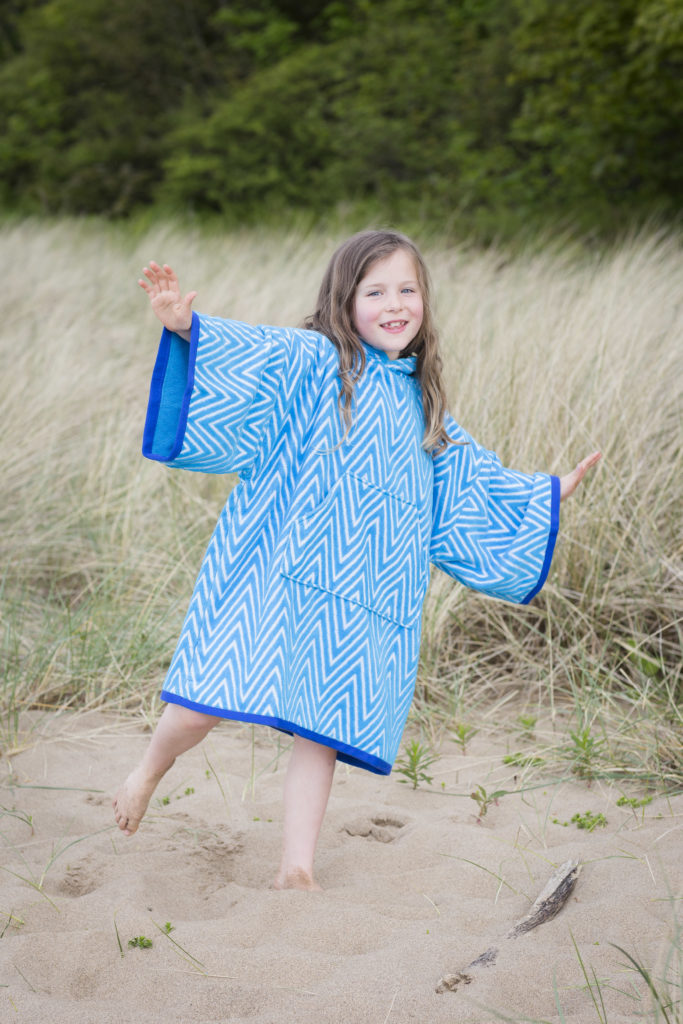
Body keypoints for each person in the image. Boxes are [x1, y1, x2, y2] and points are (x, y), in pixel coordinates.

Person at [112, 230, 600, 890]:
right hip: (278, 569)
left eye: (407, 290)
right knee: (207, 696)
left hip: (360, 593)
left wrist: (545, 492)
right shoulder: (315, 362)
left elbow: (470, 479)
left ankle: (297, 867)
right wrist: (186, 325)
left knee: (323, 724)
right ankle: (147, 772)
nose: (394, 304)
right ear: (345, 301)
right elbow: (252, 355)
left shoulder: (423, 400)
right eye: (375, 292)